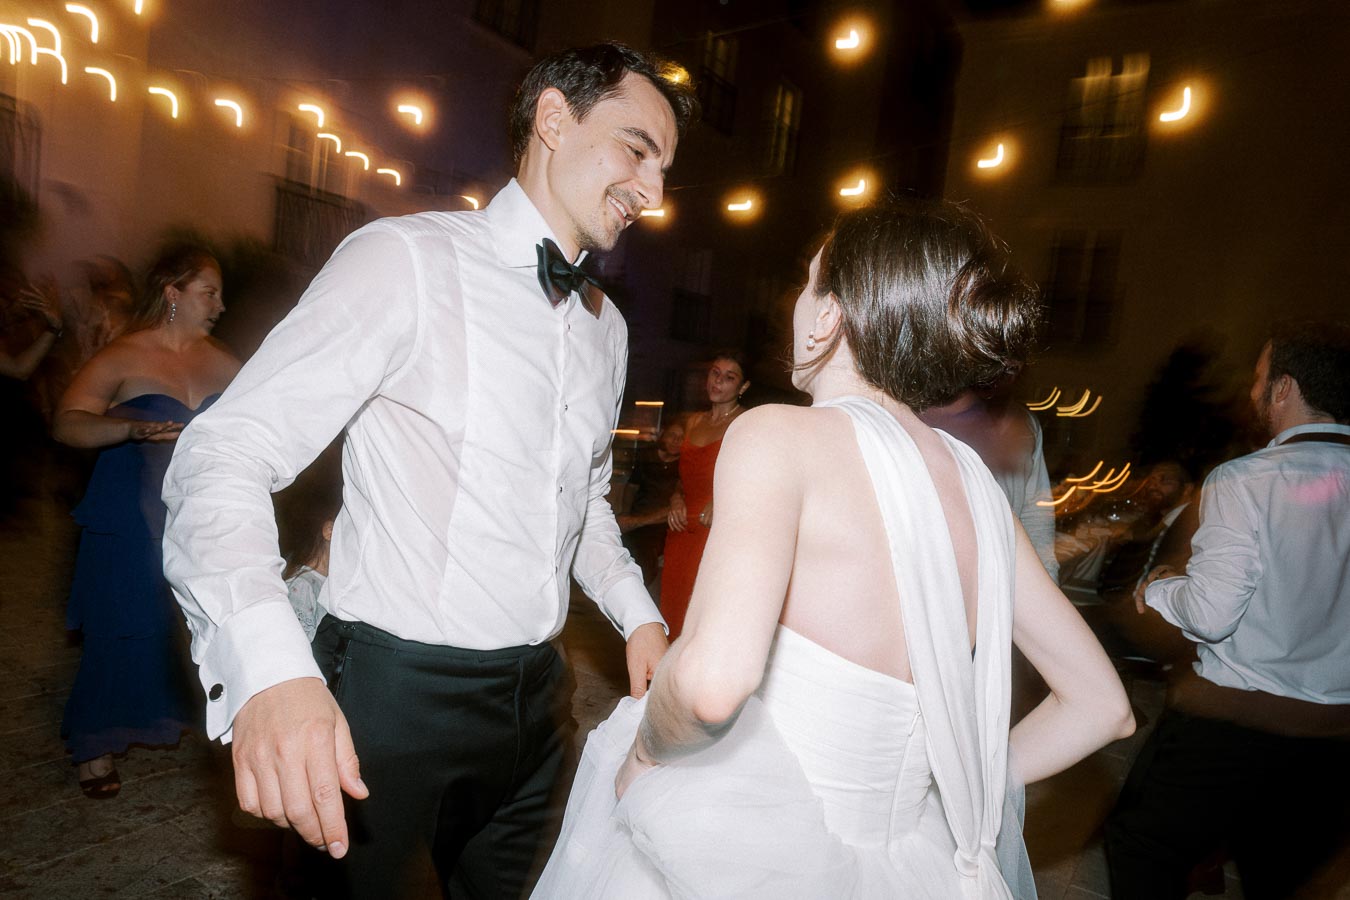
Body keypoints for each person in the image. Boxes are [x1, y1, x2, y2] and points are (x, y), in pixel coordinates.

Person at [161, 43, 697, 898]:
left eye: (666, 168)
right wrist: (271, 669)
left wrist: (639, 619)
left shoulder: (609, 328)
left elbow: (583, 500)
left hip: (540, 703)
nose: (654, 192)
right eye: (638, 149)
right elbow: (224, 452)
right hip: (392, 696)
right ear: (554, 119)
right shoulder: (405, 260)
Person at [534, 199, 1134, 898]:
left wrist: (644, 753)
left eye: (808, 281)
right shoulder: (976, 486)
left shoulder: (777, 436)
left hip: (749, 850)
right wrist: (966, 789)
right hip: (910, 866)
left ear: (829, 317)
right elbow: (1102, 706)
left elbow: (709, 685)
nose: (796, 301)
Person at [1106, 322, 1350, 900]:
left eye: (1261, 378)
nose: (1251, 392)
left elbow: (1214, 613)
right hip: (1335, 738)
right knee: (1284, 878)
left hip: (1234, 723)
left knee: (1141, 847)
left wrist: (1162, 589)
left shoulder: (1245, 480)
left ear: (1285, 388)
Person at [52, 244, 238, 799]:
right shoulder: (125, 356)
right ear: (172, 292)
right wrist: (128, 429)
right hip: (130, 516)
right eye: (210, 292)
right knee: (120, 625)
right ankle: (95, 744)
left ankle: (200, 722)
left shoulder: (228, 364)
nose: (221, 305)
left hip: (198, 518)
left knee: (193, 631)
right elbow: (67, 423)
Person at [658, 351, 749, 638]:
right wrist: (675, 498)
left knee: (704, 615)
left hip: (716, 529)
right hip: (681, 527)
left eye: (729, 377)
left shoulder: (745, 424)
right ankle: (664, 680)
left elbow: (756, 478)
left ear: (743, 387)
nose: (718, 381)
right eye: (715, 373)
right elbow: (683, 479)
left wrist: (724, 500)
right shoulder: (693, 421)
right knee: (672, 609)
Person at [616, 420, 685, 589]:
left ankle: (637, 594)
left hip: (661, 524)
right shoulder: (648, 457)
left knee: (644, 552)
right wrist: (625, 515)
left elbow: (677, 507)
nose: (676, 441)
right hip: (636, 518)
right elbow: (631, 488)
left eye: (682, 438)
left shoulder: (684, 466)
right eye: (672, 435)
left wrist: (634, 522)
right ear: (662, 434)